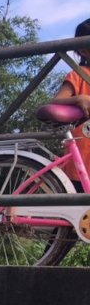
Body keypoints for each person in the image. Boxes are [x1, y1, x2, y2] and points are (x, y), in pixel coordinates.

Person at [50, 18, 90, 188]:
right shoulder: (78, 75)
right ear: (84, 50)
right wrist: (78, 99)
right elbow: (56, 101)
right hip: (82, 162)